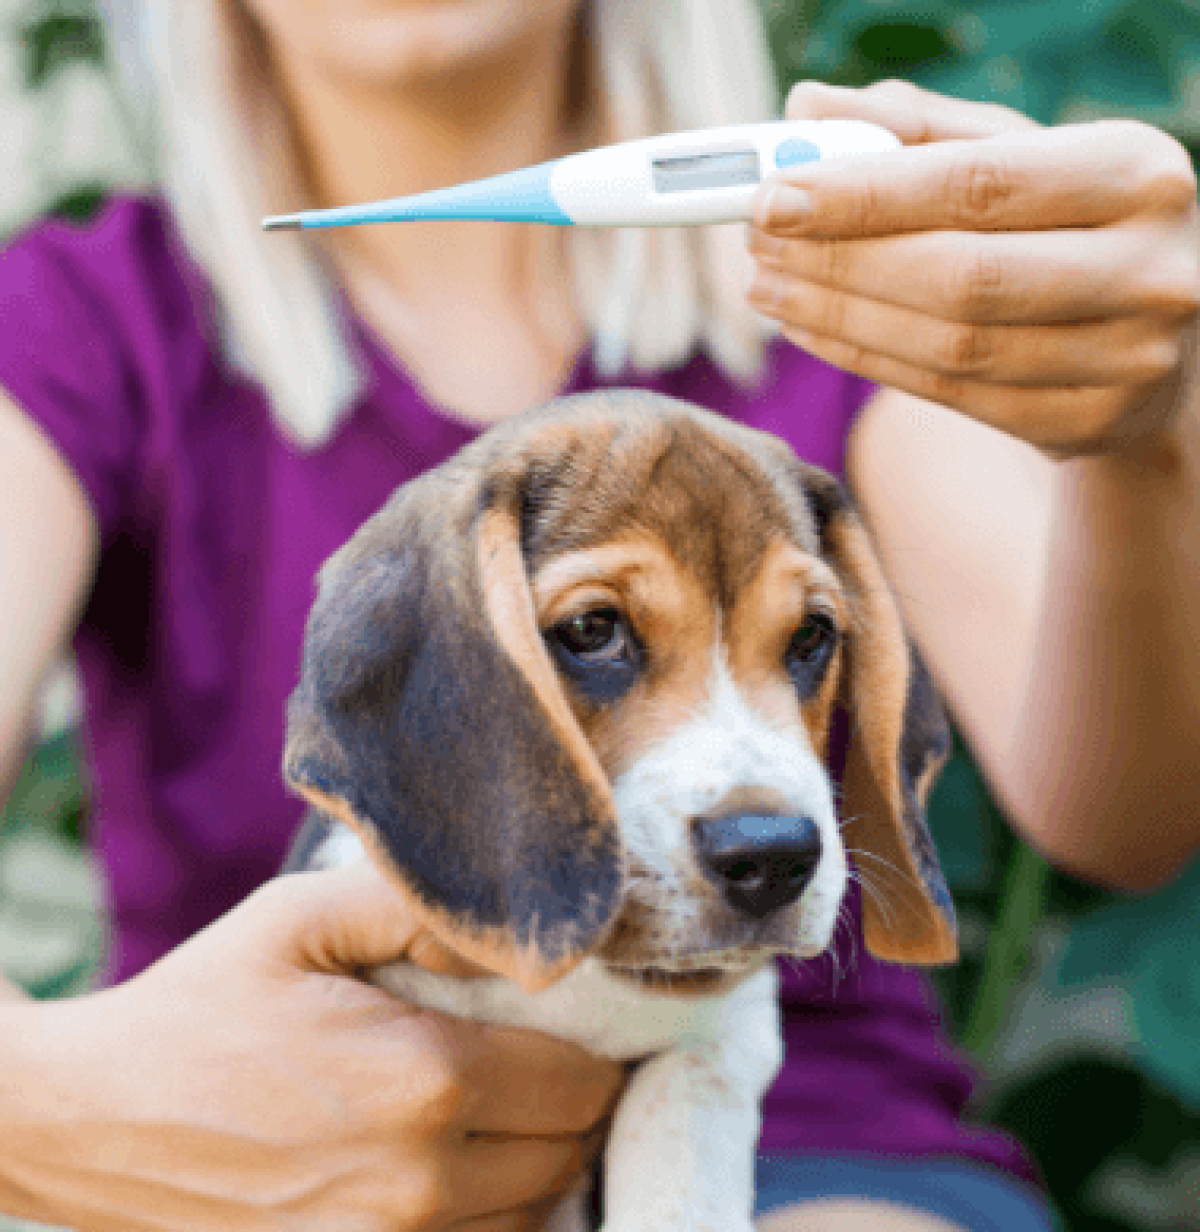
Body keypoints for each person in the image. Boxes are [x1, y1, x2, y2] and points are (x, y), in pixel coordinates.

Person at [1, 0, 1197, 1228]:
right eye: (596, 631)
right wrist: (40, 1105)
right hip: (247, 1144)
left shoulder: (854, 292)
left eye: (807, 640)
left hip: (806, 1149)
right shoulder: (83, 324)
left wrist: (1149, 444)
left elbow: (1117, 816)